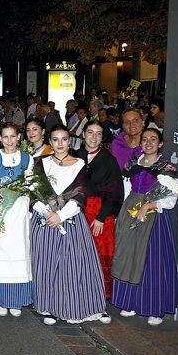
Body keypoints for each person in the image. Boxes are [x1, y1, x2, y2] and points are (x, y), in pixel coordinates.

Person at [30, 126, 106, 325]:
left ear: (70, 141)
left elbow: (80, 195)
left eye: (64, 139)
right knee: (45, 263)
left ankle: (69, 306)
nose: (60, 144)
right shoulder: (40, 162)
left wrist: (60, 216)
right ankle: (48, 307)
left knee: (70, 265)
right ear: (50, 141)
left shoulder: (80, 164)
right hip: (44, 220)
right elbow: (32, 193)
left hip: (70, 220)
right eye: (55, 139)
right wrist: (47, 213)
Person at [111, 129, 178, 326]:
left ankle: (154, 308)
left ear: (160, 144)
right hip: (131, 208)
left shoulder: (167, 168)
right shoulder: (133, 163)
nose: (148, 143)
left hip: (153, 215)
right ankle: (130, 302)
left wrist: (149, 205)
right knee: (128, 255)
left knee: (151, 260)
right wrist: (121, 213)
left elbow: (171, 198)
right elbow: (126, 189)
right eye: (145, 139)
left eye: (153, 139)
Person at [0, 123, 34, 317]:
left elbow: (31, 185)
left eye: (13, 136)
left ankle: (17, 300)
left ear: (19, 137)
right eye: (6, 137)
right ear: (0, 138)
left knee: (19, 252)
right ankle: (1, 299)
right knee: (0, 256)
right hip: (0, 211)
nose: (10, 141)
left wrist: (23, 199)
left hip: (19, 212)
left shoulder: (27, 158)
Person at [75, 121, 123, 313]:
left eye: (98, 133)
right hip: (76, 210)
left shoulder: (108, 160)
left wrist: (102, 217)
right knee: (76, 254)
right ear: (83, 134)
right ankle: (78, 293)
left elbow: (114, 192)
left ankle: (99, 299)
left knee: (99, 255)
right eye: (90, 132)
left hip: (100, 213)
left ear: (103, 137)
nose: (94, 137)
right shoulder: (75, 156)